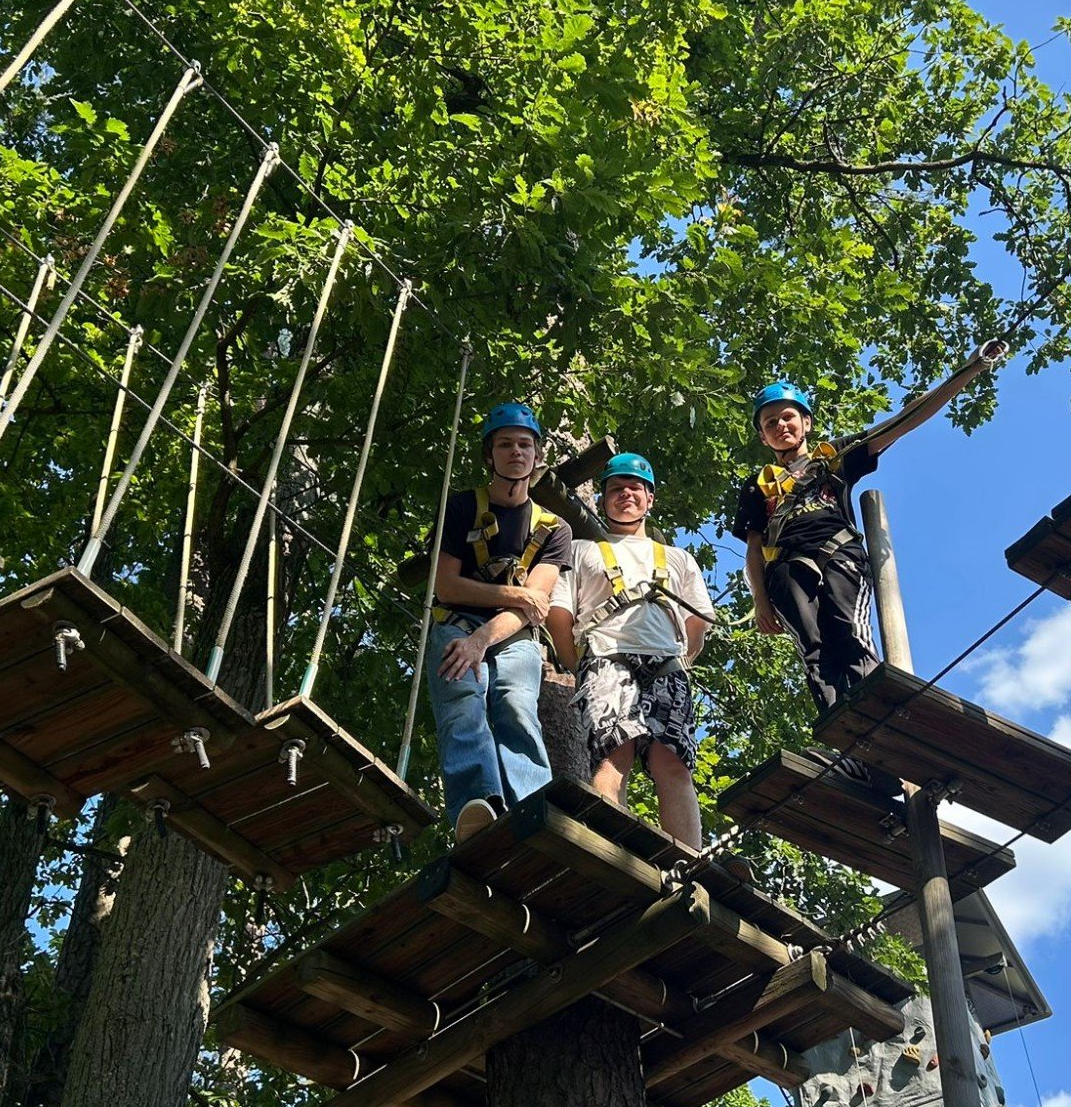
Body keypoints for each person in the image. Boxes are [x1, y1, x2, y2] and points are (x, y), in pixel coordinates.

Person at [730, 342, 1007, 715]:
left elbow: (903, 421)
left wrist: (971, 368)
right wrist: (760, 600)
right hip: (786, 569)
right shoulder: (758, 486)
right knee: (814, 650)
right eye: (770, 423)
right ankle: (841, 728)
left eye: (787, 417)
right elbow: (753, 547)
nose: (781, 426)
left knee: (851, 635)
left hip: (838, 554)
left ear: (806, 422)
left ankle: (881, 718)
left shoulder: (835, 457)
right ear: (763, 437)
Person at [549, 453, 714, 849]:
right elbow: (559, 614)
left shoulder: (678, 559)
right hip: (606, 657)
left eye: (635, 488)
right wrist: (577, 663)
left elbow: (697, 623)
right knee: (613, 756)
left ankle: (689, 863)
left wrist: (680, 662)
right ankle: (610, 851)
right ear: (603, 499)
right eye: (616, 489)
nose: (626, 494)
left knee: (674, 763)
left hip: (666, 663)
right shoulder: (580, 551)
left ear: (649, 498)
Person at [426, 401, 574, 842]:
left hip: (514, 634)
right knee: (462, 704)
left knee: (516, 708)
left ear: (537, 455)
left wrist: (482, 640)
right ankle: (480, 804)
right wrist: (515, 594)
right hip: (456, 620)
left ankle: (532, 808)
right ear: (489, 455)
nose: (516, 452)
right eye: (505, 444)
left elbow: (535, 607)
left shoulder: (554, 529)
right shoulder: (461, 508)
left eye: (525, 445)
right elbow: (447, 587)